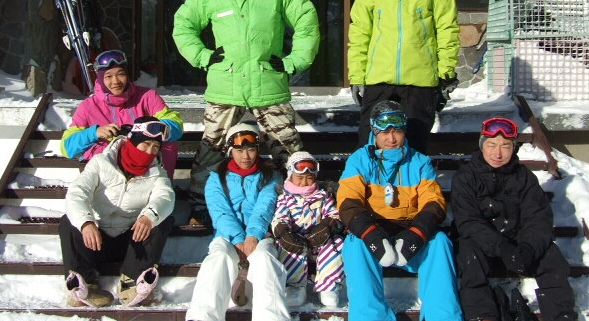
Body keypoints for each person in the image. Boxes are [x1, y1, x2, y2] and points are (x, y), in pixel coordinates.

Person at [173, 0, 320, 227]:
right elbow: (183, 25)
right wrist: (203, 56)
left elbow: (307, 20)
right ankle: (200, 207)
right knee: (212, 150)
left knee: (288, 149)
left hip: (269, 84)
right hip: (225, 86)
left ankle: (298, 205)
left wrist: (294, 61)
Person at [336, 100, 464, 321]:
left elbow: (433, 202)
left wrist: (416, 234)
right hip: (373, 231)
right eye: (385, 132)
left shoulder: (420, 162)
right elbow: (348, 201)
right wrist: (371, 235)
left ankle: (442, 316)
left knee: (440, 242)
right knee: (355, 245)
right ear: (374, 131)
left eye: (397, 131)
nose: (391, 139)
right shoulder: (359, 160)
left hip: (410, 232)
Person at [347, 0, 460, 154]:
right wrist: (357, 75)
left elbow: (447, 28)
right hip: (379, 79)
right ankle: (367, 178)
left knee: (415, 144)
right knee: (369, 143)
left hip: (419, 80)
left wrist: (446, 72)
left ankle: (413, 178)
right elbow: (359, 33)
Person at [451, 117, 578, 321]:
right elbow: (468, 222)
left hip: (518, 240)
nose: (498, 153)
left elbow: (538, 218)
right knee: (468, 255)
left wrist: (529, 248)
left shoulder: (524, 177)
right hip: (482, 243)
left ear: (513, 148)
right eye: (492, 145)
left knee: (551, 255)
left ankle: (561, 315)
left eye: (505, 146)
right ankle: (482, 316)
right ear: (482, 146)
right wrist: (501, 248)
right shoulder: (466, 177)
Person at [58, 116, 176, 307]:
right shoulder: (100, 163)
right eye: (146, 144)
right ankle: (84, 284)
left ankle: (132, 282)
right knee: (69, 221)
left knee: (161, 220)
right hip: (96, 239)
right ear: (132, 141)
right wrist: (86, 223)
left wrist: (148, 217)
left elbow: (165, 197)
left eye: (156, 147)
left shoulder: (157, 173)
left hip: (131, 243)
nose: (150, 152)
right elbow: (77, 192)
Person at [185, 122, 290, 321]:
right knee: (219, 258)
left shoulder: (271, 176)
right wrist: (238, 239)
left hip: (260, 234)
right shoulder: (216, 178)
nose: (246, 156)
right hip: (227, 235)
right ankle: (202, 316)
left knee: (265, 259)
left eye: (251, 150)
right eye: (240, 151)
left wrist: (253, 235)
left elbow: (265, 207)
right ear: (230, 151)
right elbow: (220, 212)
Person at [61, 49, 183, 179]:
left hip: (145, 168)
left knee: (167, 145)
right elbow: (67, 148)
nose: (116, 81)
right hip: (107, 176)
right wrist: (94, 133)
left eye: (121, 74)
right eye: (108, 76)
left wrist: (151, 129)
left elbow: (175, 125)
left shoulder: (147, 97)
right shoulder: (88, 107)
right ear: (100, 79)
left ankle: (160, 183)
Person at [271, 151, 345, 308]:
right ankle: (294, 286)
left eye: (309, 178)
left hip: (319, 240)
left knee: (337, 243)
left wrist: (327, 226)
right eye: (300, 178)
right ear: (290, 176)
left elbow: (333, 214)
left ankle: (328, 287)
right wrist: (283, 232)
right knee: (287, 247)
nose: (305, 182)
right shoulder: (285, 198)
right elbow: (280, 217)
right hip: (297, 241)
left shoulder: (323, 196)